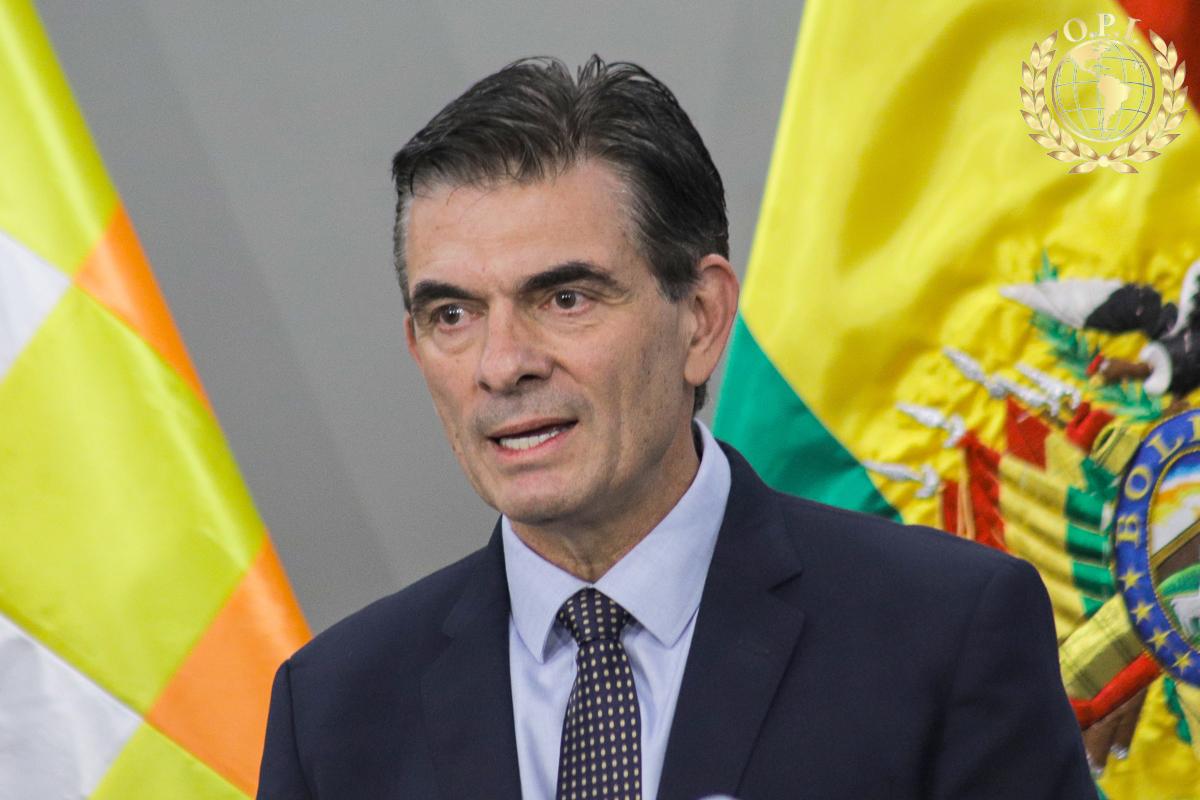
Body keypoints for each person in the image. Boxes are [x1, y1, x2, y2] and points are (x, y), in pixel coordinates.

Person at [258, 56, 1095, 799]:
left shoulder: (944, 634)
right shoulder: (331, 709)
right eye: (452, 314)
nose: (502, 364)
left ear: (701, 318)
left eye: (565, 299)